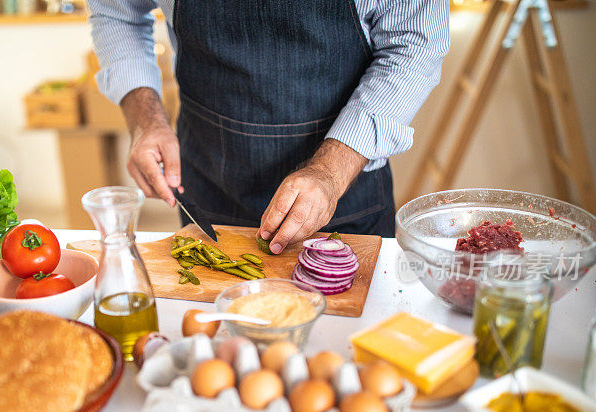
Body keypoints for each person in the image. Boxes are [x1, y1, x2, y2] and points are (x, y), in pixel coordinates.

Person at [88, 1, 449, 253]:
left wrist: (329, 173)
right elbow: (116, 13)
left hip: (345, 195)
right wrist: (146, 120)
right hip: (210, 183)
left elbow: (414, 45)